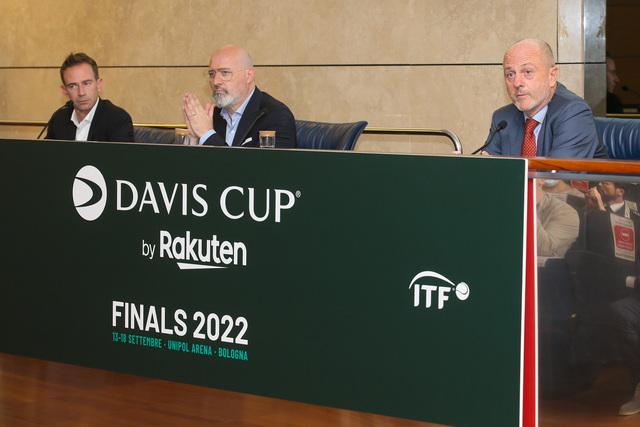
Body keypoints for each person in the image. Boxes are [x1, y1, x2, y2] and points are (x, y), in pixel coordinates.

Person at [483, 39, 607, 158]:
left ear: (552, 76)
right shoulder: (503, 118)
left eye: (527, 72)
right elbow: (487, 169)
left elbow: (557, 172)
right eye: (510, 74)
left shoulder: (574, 113)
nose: (517, 83)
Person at [182, 45, 296, 148]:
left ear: (248, 76)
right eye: (212, 74)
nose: (215, 81)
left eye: (225, 73)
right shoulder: (213, 117)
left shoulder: (276, 117)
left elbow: (254, 165)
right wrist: (194, 140)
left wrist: (207, 134)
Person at [45, 52, 134, 142]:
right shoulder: (59, 118)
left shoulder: (118, 119)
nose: (81, 93)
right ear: (65, 90)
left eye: (87, 83)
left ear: (98, 84)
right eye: (73, 86)